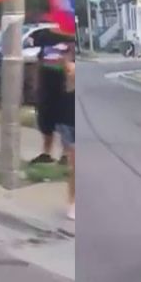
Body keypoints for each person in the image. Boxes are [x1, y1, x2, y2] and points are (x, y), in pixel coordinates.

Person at [33, 41, 69, 164]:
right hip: (46, 88)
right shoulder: (46, 43)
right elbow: (39, 64)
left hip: (63, 87)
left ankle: (65, 154)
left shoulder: (69, 44)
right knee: (46, 121)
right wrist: (36, 85)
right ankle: (47, 153)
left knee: (65, 123)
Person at [57, 46, 76, 220]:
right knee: (74, 167)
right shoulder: (70, 71)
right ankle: (72, 203)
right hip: (69, 122)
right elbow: (70, 73)